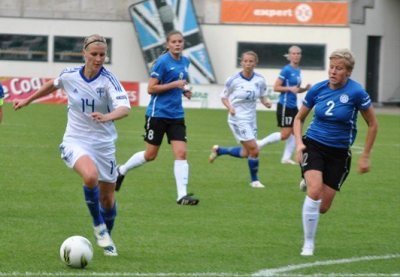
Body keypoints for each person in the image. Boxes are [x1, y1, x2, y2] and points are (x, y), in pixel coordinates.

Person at [13, 34, 130, 256]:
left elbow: (124, 108)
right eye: (94, 54)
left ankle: (107, 236)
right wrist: (28, 99)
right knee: (90, 177)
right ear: (84, 53)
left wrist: (107, 116)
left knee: (108, 198)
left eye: (102, 55)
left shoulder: (108, 81)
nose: (98, 59)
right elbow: (52, 84)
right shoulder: (70, 75)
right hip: (76, 140)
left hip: (104, 144)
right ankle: (98, 227)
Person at [293, 49, 378, 256]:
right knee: (314, 192)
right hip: (314, 144)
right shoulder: (318, 89)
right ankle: (308, 244)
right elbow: (299, 119)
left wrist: (365, 155)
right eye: (331, 67)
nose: (333, 72)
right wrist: (298, 144)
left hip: (339, 153)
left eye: (338, 68)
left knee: (322, 207)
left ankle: (310, 180)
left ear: (348, 72)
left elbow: (373, 124)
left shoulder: (357, 92)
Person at [115, 30, 199, 205]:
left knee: (181, 153)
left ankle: (181, 195)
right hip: (157, 114)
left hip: (176, 115)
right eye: (174, 42)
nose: (177, 44)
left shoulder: (185, 61)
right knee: (150, 155)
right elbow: (151, 89)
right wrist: (175, 84)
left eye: (180, 41)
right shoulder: (161, 62)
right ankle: (121, 170)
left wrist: (184, 90)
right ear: (167, 44)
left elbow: (179, 81)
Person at [208, 51, 272, 188]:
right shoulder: (233, 80)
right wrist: (230, 107)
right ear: (241, 62)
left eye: (251, 61)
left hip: (251, 119)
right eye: (246, 61)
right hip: (237, 118)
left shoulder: (260, 79)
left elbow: (262, 95)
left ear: (255, 63)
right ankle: (254, 181)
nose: (248, 64)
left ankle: (219, 151)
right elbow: (224, 97)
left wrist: (266, 102)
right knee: (255, 150)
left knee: (245, 153)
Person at [258, 45, 311, 164]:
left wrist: (305, 89)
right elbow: (276, 87)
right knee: (285, 134)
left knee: (295, 131)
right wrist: (289, 89)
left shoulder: (298, 70)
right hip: (285, 105)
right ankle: (260, 143)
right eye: (294, 53)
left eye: (298, 53)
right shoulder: (286, 70)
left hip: (293, 105)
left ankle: (286, 158)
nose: (296, 55)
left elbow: (295, 89)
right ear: (289, 56)